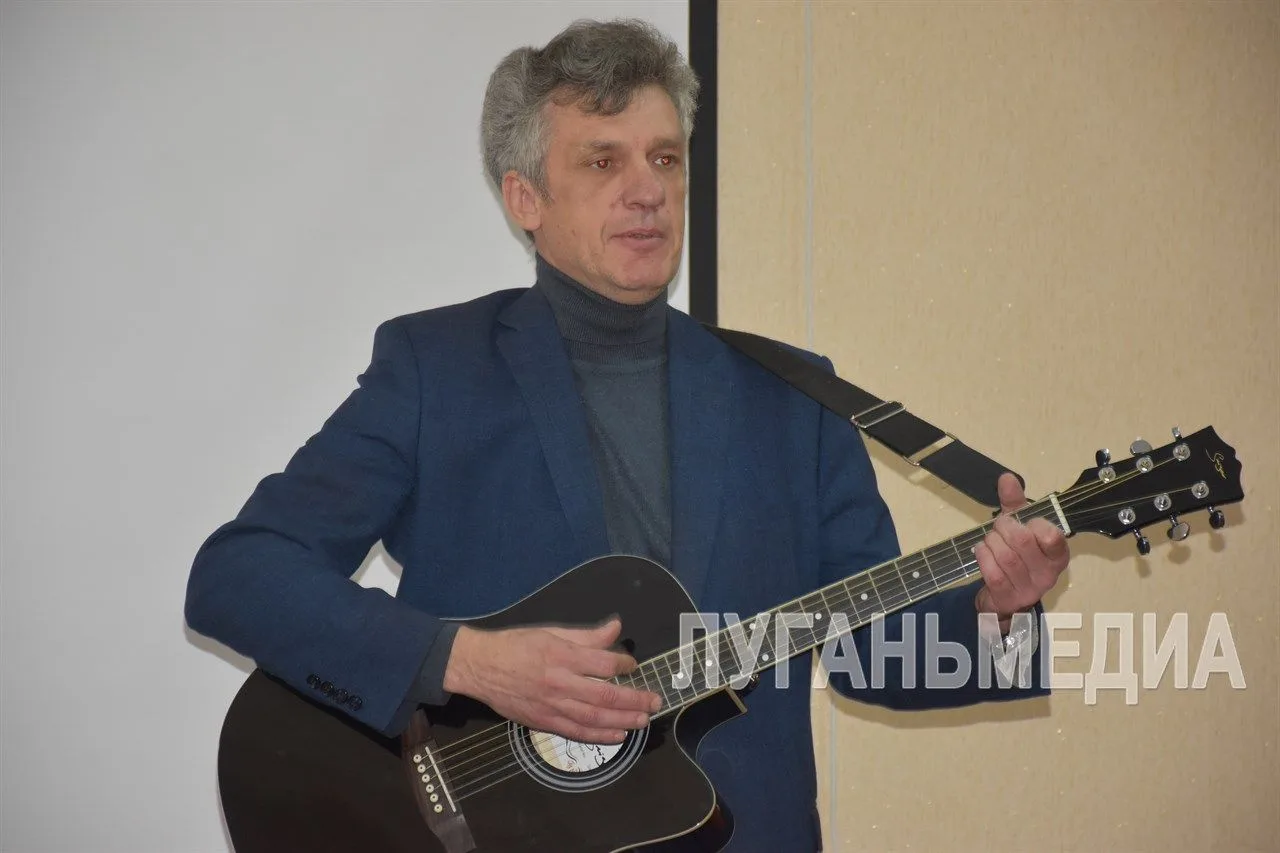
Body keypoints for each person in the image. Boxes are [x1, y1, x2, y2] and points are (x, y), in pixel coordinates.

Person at [186, 18, 1069, 852]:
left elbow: (873, 656)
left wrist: (1000, 613)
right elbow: (238, 576)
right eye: (603, 160)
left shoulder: (793, 398)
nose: (647, 189)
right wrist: (467, 662)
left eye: (664, 158)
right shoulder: (435, 369)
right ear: (525, 197)